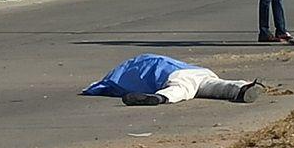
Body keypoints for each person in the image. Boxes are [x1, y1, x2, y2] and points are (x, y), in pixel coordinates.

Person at [81, 53, 262, 105]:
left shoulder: (118, 75)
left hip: (178, 74)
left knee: (186, 89)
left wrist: (93, 88)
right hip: (194, 71)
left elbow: (102, 86)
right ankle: (240, 87)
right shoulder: (125, 70)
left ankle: (161, 98)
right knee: (207, 85)